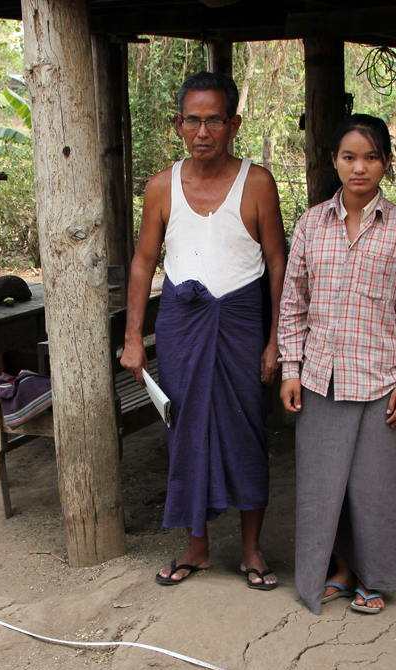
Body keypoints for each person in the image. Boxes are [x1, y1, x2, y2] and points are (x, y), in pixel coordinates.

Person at [120, 71, 287, 588]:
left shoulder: (256, 183)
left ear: (233, 123)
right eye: (192, 119)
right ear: (178, 126)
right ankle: (196, 547)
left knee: (246, 429)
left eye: (215, 119)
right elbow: (144, 264)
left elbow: (278, 263)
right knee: (184, 429)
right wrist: (132, 338)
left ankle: (252, 549)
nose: (203, 131)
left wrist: (277, 338)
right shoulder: (160, 187)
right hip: (181, 323)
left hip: (241, 322)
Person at [278, 114, 396, 615]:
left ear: (386, 164)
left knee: (374, 488)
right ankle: (337, 571)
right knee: (322, 487)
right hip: (320, 376)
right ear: (334, 162)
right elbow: (292, 305)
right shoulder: (310, 224)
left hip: (382, 381)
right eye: (349, 157)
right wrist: (290, 367)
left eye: (370, 157)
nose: (359, 167)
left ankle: (373, 578)